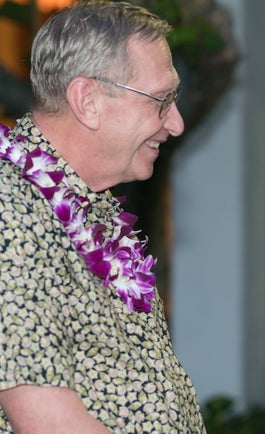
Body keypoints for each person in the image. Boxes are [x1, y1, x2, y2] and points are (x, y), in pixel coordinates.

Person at [0, 1, 205, 432]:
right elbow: (46, 419)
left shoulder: (94, 207)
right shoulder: (9, 209)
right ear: (87, 101)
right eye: (162, 100)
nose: (177, 123)